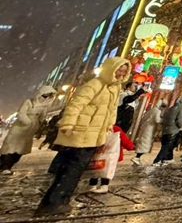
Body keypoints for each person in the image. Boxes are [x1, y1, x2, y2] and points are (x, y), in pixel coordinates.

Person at [35, 57, 130, 217]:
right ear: (110, 69)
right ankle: (52, 203)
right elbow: (77, 103)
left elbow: (111, 110)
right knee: (71, 168)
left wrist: (109, 125)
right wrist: (68, 124)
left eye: (124, 71)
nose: (121, 73)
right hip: (81, 131)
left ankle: (60, 200)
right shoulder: (96, 84)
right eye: (119, 69)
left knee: (76, 169)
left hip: (95, 133)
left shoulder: (115, 88)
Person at [0, 86, 56, 175]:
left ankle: (8, 165)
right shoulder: (29, 102)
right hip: (19, 128)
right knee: (10, 148)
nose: (45, 98)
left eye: (48, 96)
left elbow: (42, 117)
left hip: (29, 131)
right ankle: (4, 166)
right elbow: (21, 113)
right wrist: (28, 122)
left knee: (20, 150)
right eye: (45, 95)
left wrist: (38, 124)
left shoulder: (45, 106)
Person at [87, 124, 135, 194]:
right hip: (110, 155)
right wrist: (131, 147)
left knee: (96, 169)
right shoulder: (115, 128)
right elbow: (124, 140)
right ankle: (103, 186)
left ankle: (94, 185)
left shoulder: (99, 127)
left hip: (99, 154)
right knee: (107, 170)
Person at [152, 96, 182, 166]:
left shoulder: (170, 109)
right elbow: (180, 121)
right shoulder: (180, 109)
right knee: (167, 146)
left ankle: (168, 159)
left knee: (167, 145)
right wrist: (180, 126)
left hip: (165, 130)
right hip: (173, 130)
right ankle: (157, 160)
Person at [132, 99, 166, 165]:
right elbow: (157, 120)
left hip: (145, 128)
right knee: (145, 144)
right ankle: (137, 157)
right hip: (149, 129)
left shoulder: (151, 110)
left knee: (142, 142)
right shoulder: (157, 111)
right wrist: (163, 120)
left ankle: (137, 157)